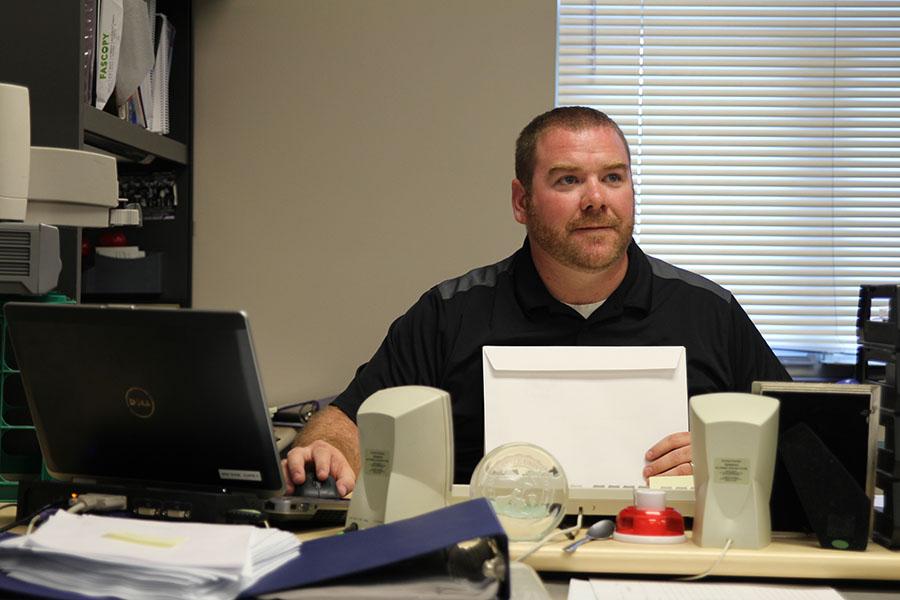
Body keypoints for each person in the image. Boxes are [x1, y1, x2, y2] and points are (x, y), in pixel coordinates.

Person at [283, 106, 791, 496]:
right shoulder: (452, 313)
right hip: (490, 560)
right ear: (521, 202)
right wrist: (323, 450)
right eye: (568, 180)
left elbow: (807, 448)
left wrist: (732, 461)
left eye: (613, 177)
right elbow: (345, 419)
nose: (596, 199)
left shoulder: (707, 311)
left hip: (667, 561)